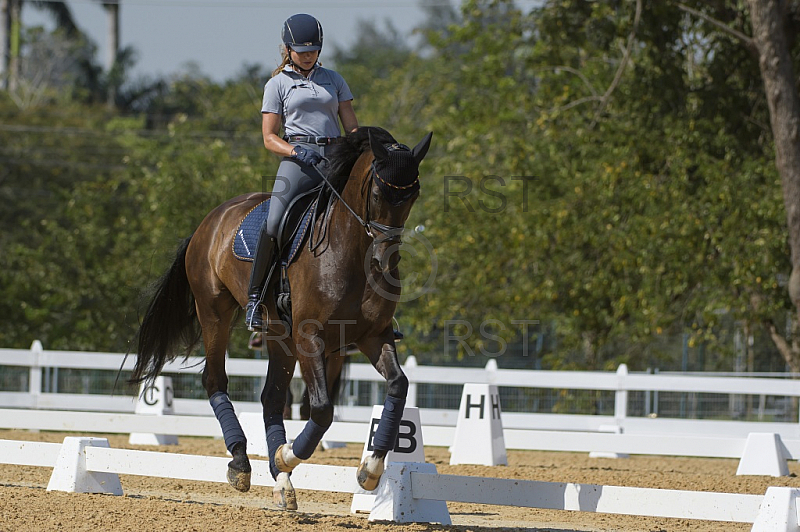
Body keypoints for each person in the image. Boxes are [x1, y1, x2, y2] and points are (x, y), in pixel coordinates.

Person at [245, 13, 358, 331]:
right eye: (301, 51)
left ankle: (377, 308)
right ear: (287, 49)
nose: (308, 56)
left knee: (368, 214)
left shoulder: (334, 79)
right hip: (298, 160)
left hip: (335, 157)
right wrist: (295, 150)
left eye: (313, 50)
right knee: (275, 221)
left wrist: (358, 150)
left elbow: (351, 126)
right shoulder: (277, 84)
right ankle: (256, 299)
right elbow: (269, 137)